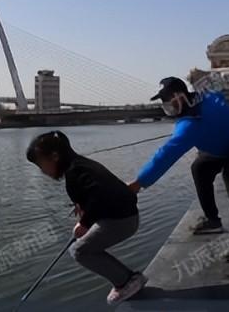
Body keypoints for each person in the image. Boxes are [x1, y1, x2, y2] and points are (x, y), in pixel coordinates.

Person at [128, 77, 229, 262]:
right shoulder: (203, 99)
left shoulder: (190, 125)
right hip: (228, 145)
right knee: (200, 167)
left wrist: (139, 182)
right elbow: (217, 91)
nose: (165, 106)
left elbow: (165, 155)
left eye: (167, 101)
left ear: (180, 97)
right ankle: (213, 220)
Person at [26, 130, 146, 304]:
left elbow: (100, 195)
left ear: (54, 157)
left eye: (41, 164)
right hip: (124, 215)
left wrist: (85, 222)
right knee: (82, 247)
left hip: (121, 221)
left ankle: (127, 281)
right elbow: (103, 190)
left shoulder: (75, 171)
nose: (42, 171)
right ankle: (127, 279)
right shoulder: (82, 165)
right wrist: (82, 207)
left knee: (79, 251)